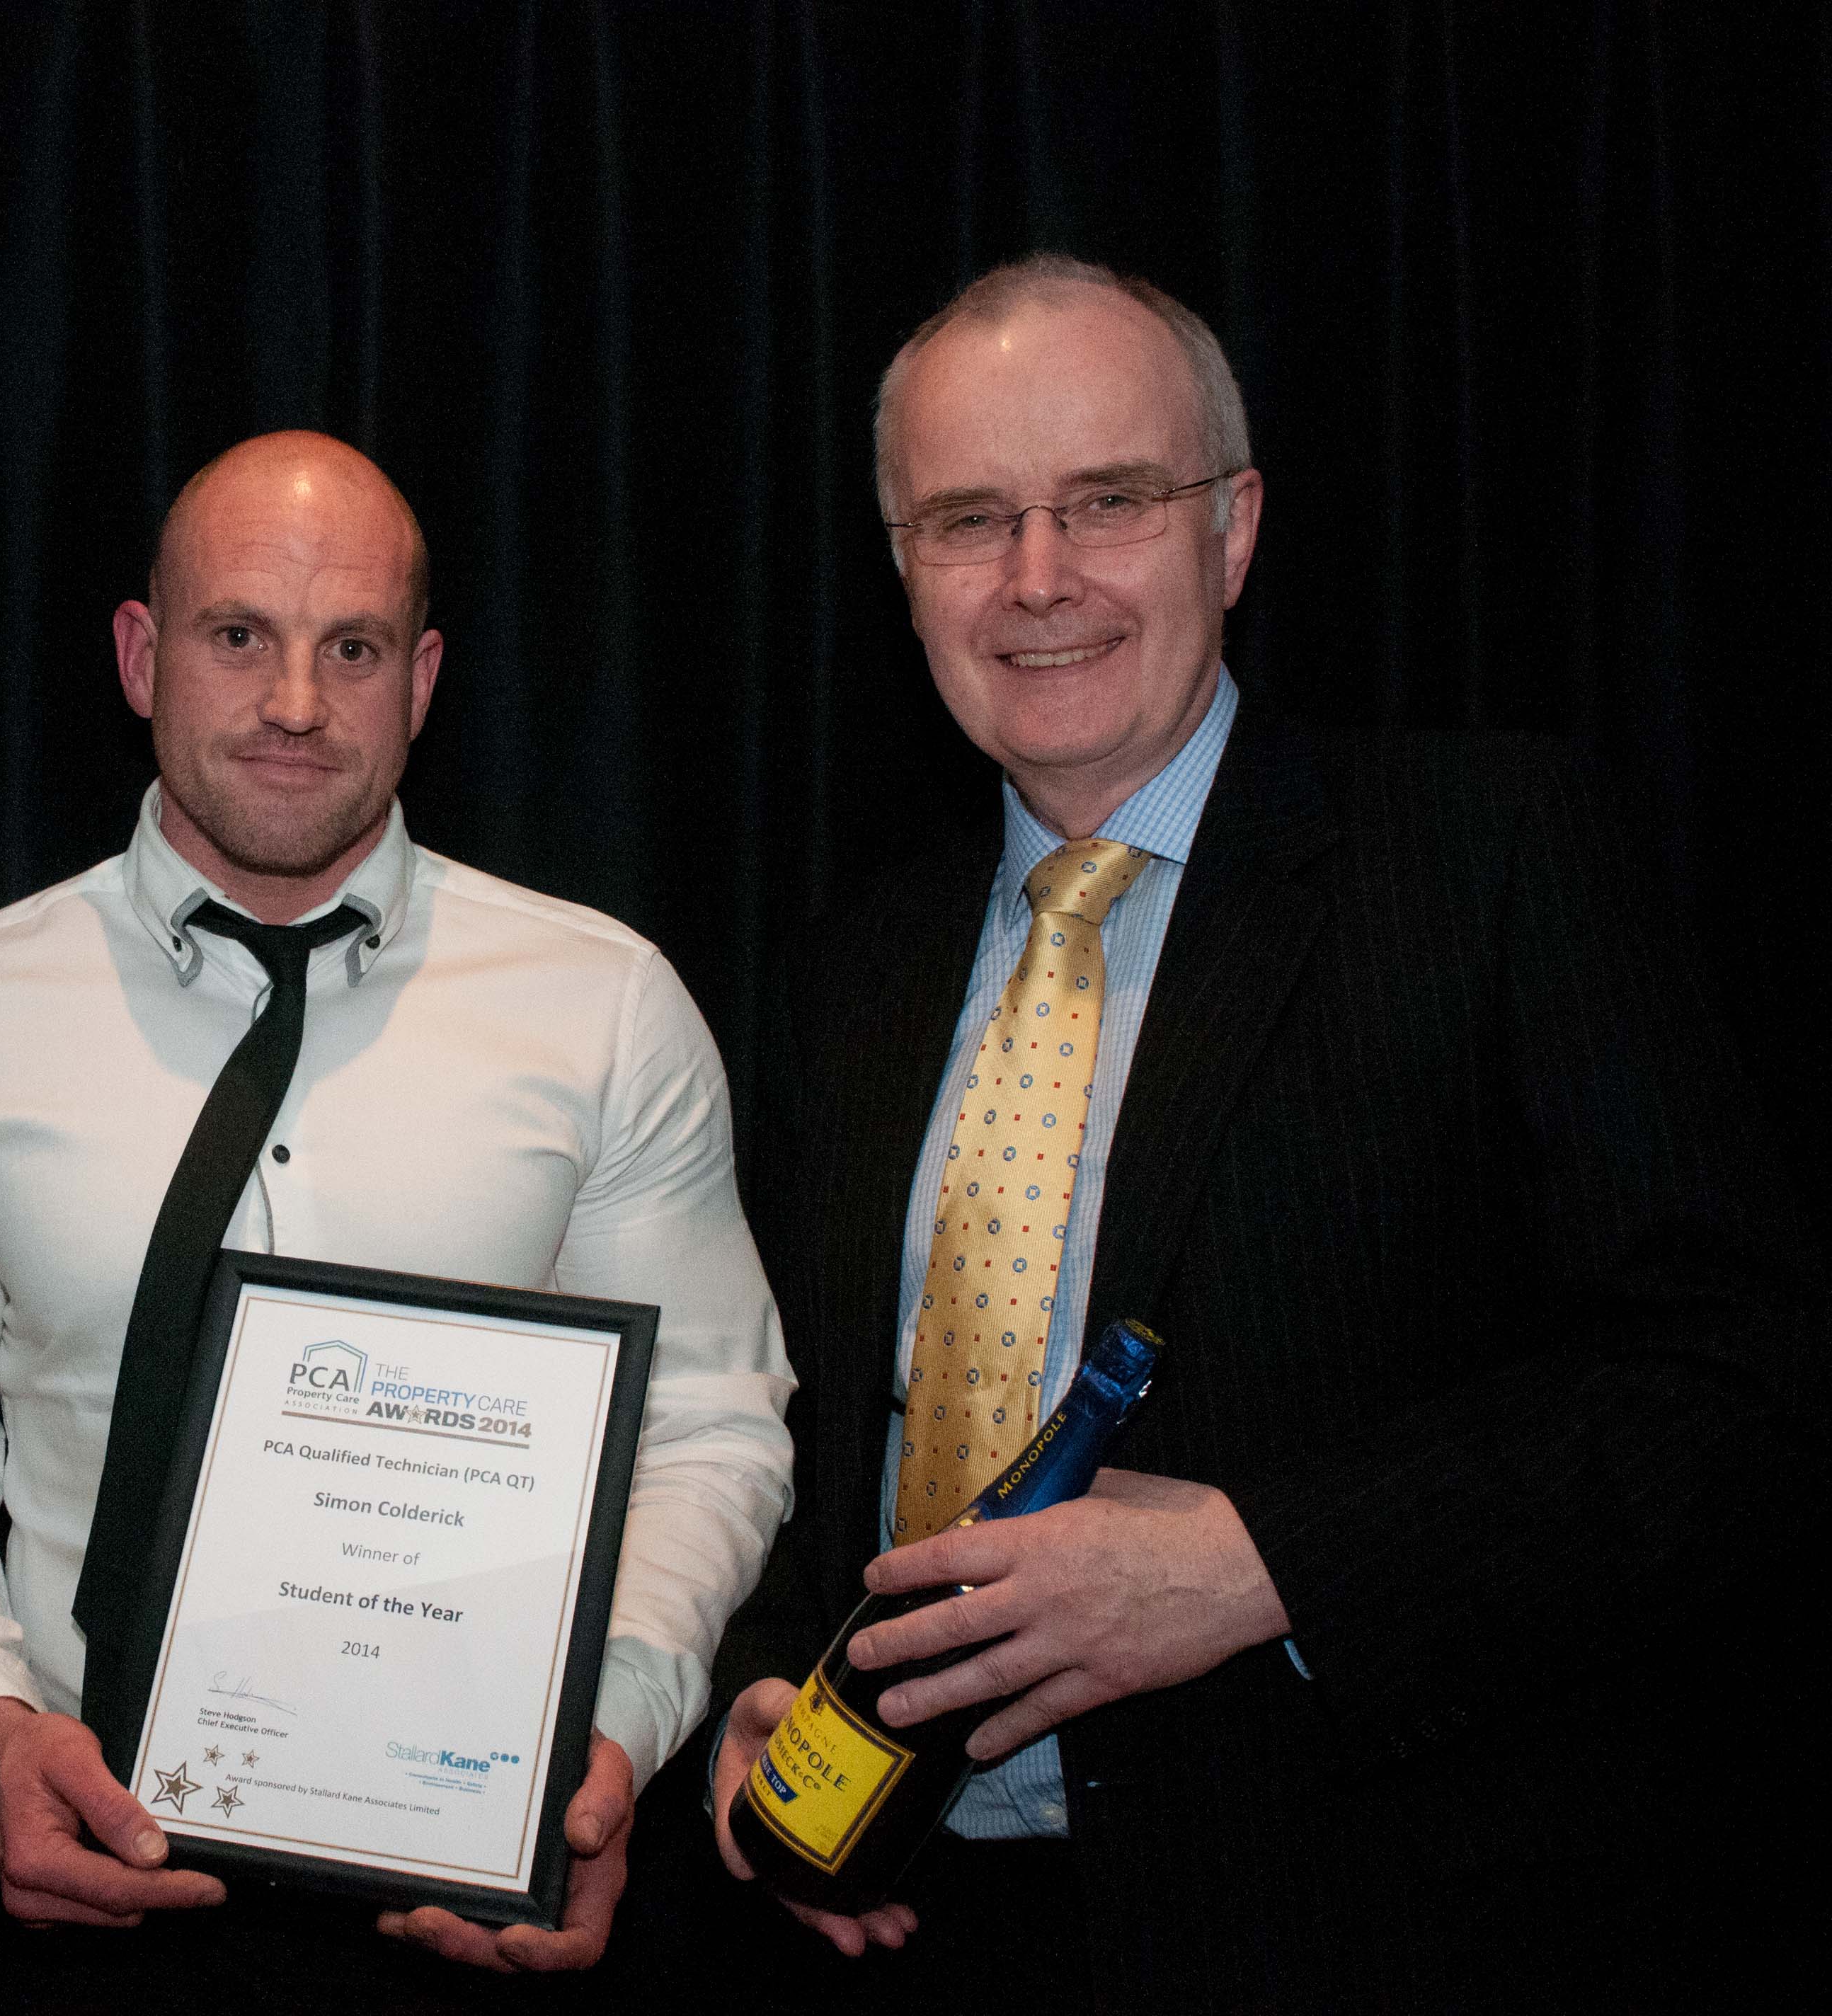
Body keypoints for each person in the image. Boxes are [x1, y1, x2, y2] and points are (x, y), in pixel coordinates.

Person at [703, 256, 1792, 2007]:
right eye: (969, 518)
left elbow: (1734, 1375)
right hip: (907, 1923)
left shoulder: (1492, 853)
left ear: (1231, 528)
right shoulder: (852, 966)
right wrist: (757, 1677)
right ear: (902, 568)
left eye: (1108, 501)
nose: (1036, 576)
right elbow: (807, 1419)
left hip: (1372, 1925)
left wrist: (1266, 1562)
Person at [0, 430, 794, 1990]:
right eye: (239, 635)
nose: (295, 703)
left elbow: (710, 1428)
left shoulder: (605, 1009)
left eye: (354, 649)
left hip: (478, 1893)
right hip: (67, 1880)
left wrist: (605, 1735)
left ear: (424, 677)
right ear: (141, 655)